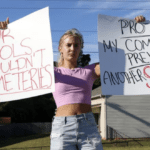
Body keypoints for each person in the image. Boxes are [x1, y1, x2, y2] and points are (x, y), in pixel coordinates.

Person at [0, 15, 145, 150]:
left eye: (76, 45)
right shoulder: (51, 72)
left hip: (88, 126)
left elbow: (116, 61)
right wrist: (7, 35)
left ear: (80, 49)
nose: (72, 49)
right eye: (68, 45)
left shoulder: (89, 71)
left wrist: (135, 31)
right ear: (60, 48)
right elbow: (23, 61)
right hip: (62, 128)